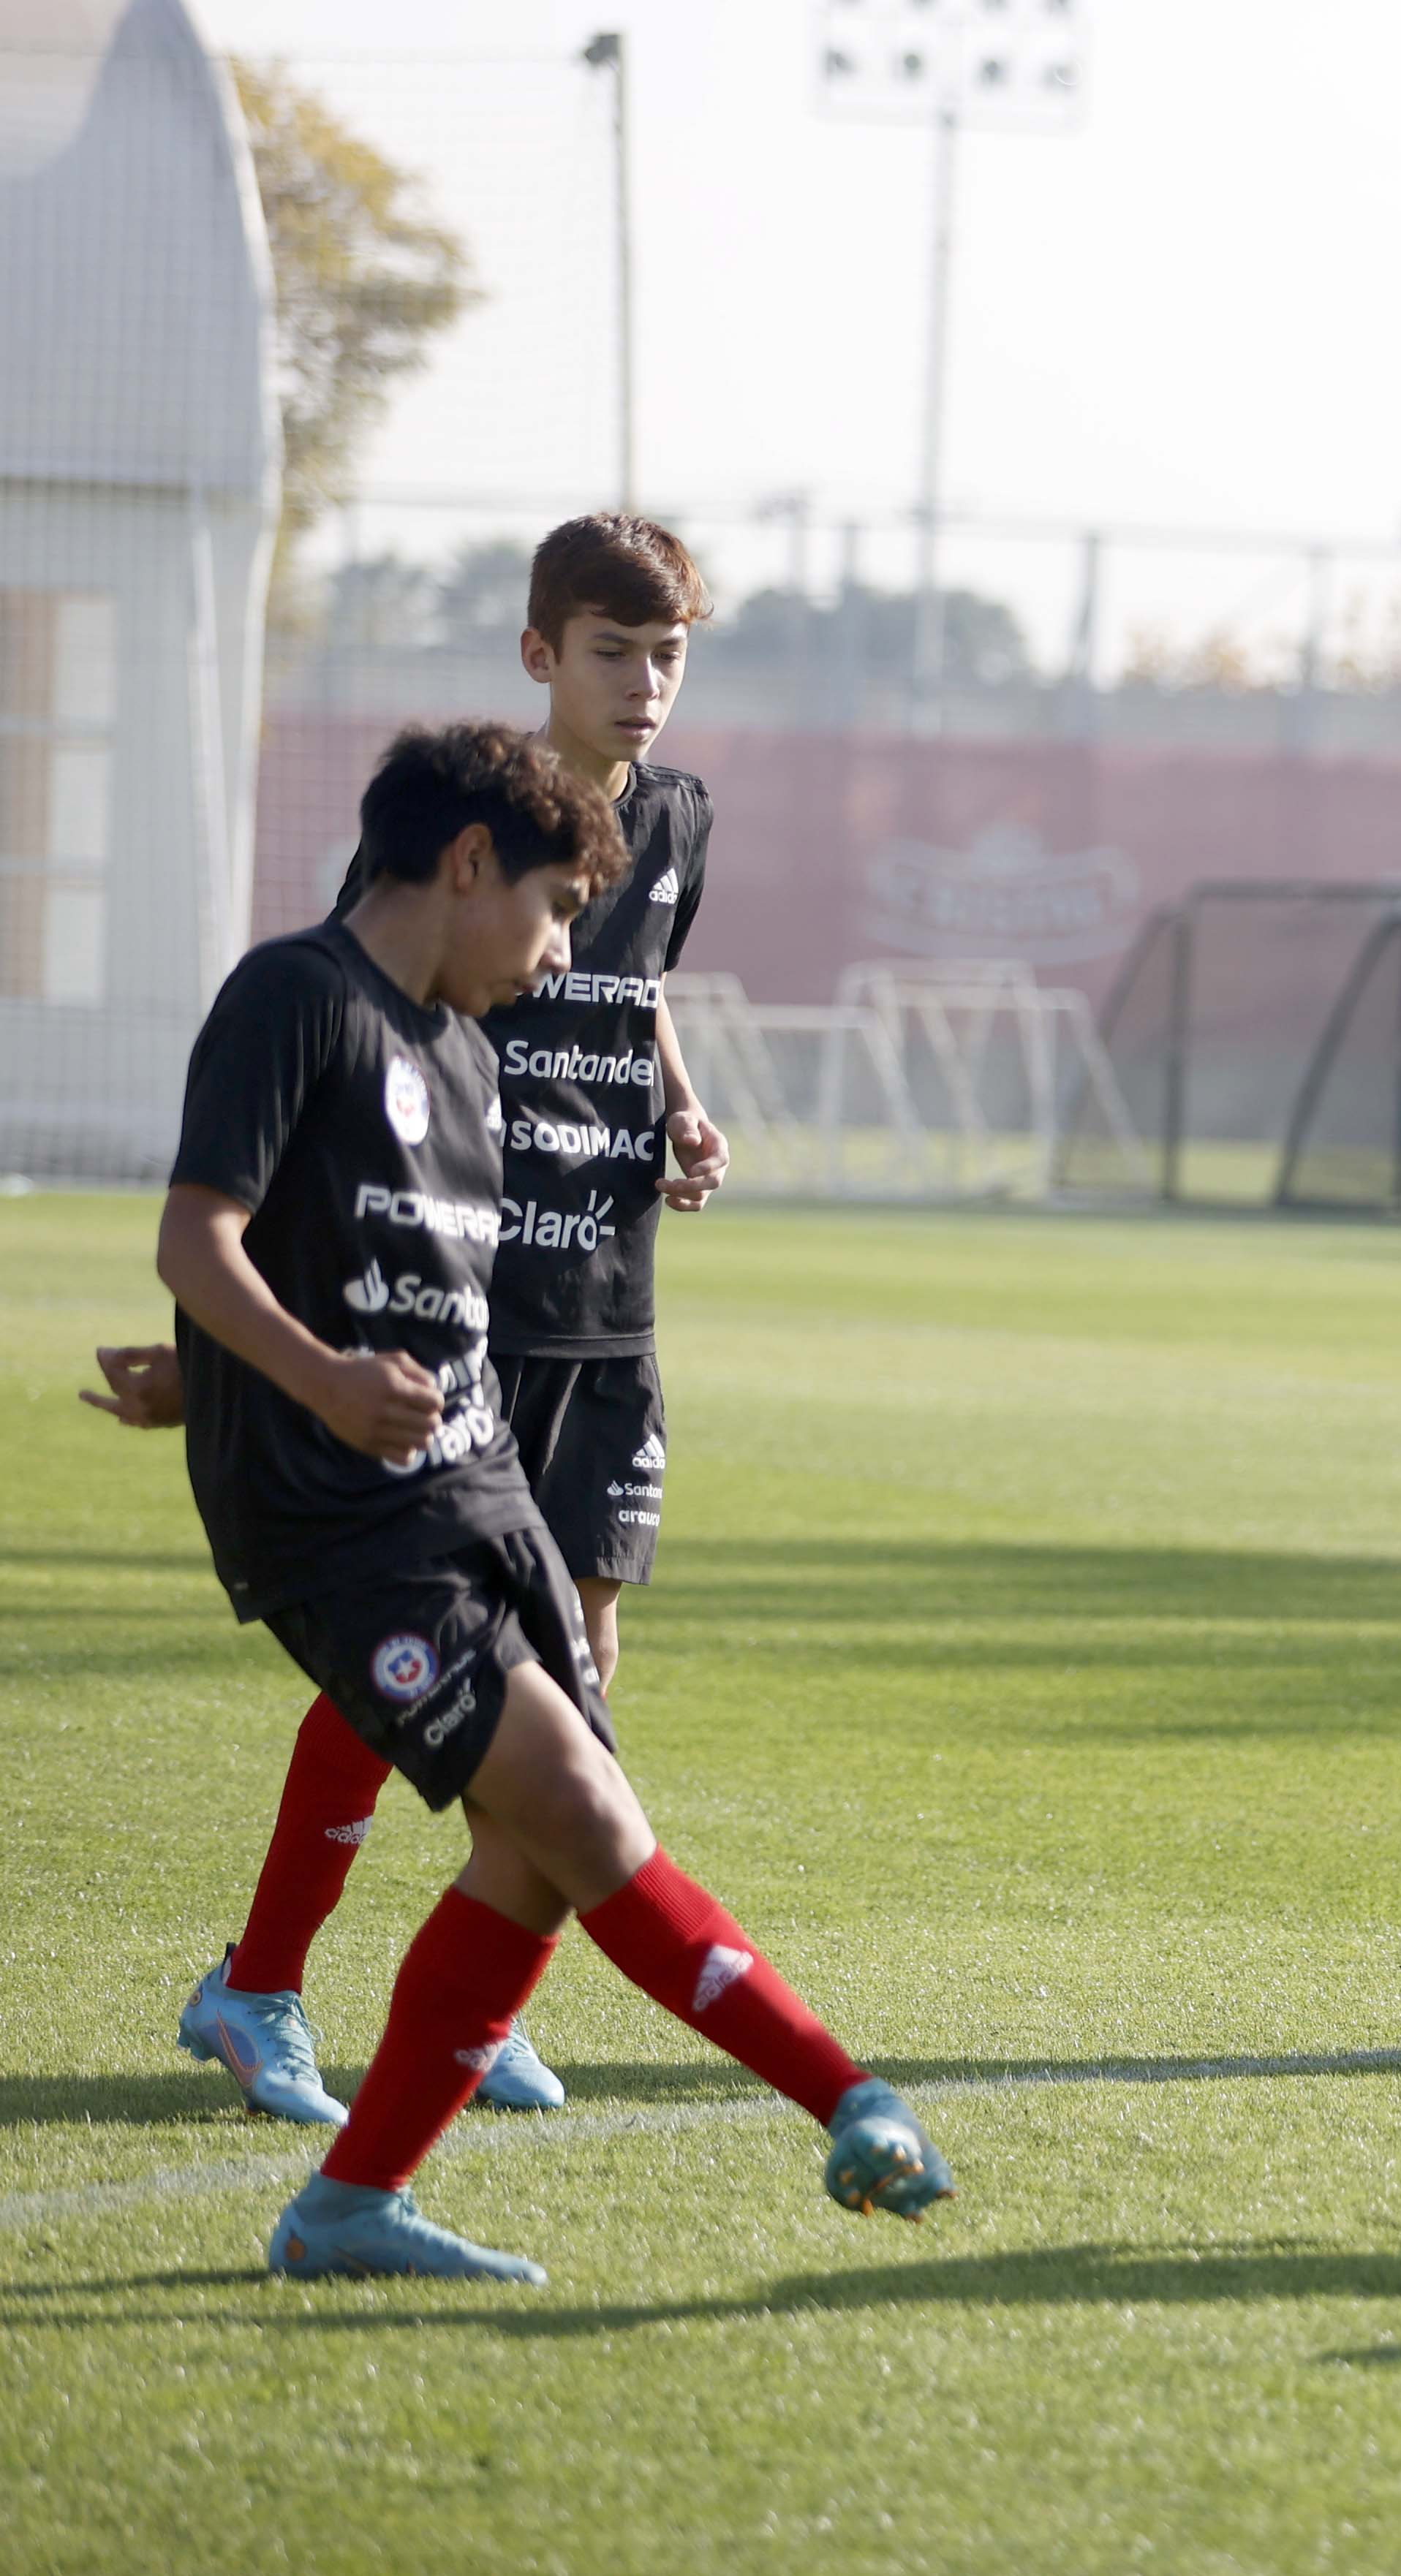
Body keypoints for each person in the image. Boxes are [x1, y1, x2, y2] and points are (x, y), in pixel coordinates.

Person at [156, 720, 940, 2282]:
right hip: (343, 1521)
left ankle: (352, 2204)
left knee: (529, 1851)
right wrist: (302, 1377)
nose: (568, 945)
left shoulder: (459, 1052)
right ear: (464, 863)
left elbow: (385, 1282)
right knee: (582, 1814)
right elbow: (199, 1242)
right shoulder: (294, 999)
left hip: (485, 1490)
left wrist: (215, 1370)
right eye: (557, 905)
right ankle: (848, 2095)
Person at [132, 515, 728, 2131]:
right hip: (469, 1311)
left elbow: (640, 976)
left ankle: (484, 1986)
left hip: (612, 1303)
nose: (646, 683)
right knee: (412, 1668)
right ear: (541, 656)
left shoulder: (672, 823)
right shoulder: (468, 832)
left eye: (669, 653)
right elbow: (345, 1059)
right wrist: (246, 1350)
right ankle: (259, 1983)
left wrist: (676, 1106)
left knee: (583, 1660)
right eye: (614, 651)